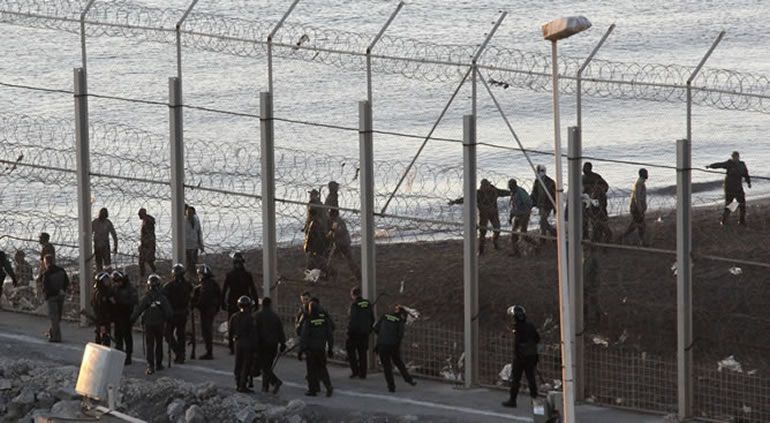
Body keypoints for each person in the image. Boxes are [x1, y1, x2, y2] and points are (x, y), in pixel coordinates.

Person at [449, 179, 511, 254]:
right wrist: (455, 201)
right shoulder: (477, 193)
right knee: (482, 232)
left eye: (486, 185)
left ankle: (495, 243)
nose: (484, 187)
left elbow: (505, 192)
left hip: (494, 214)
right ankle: (481, 250)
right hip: (483, 215)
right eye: (483, 185)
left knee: (497, 229)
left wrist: (513, 192)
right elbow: (466, 199)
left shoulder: (495, 191)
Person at [131, 274, 172, 375]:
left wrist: (131, 321)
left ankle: (150, 365)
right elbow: (169, 312)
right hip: (159, 324)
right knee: (159, 344)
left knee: (150, 345)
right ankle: (159, 364)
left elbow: (138, 310)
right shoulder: (162, 298)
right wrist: (169, 321)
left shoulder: (146, 298)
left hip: (149, 324)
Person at [502, 305, 540, 408]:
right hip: (531, 356)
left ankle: (512, 400)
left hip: (519, 357)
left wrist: (518, 354)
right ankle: (535, 400)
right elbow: (537, 339)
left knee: (516, 379)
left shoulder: (517, 328)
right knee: (531, 378)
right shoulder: (530, 326)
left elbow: (516, 344)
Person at [374, 305, 417, 392]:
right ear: (402, 315)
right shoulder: (399, 321)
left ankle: (391, 387)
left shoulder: (385, 316)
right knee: (399, 363)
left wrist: (383, 335)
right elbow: (400, 335)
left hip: (382, 345)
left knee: (387, 367)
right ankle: (408, 379)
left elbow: (375, 328)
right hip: (393, 346)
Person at [222, 252, 258, 354]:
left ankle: (232, 347)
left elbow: (224, 290)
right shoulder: (247, 275)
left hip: (233, 302)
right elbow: (253, 289)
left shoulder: (230, 275)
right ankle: (244, 345)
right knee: (246, 324)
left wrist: (223, 303)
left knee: (232, 325)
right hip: (246, 302)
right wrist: (255, 301)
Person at [299, 301, 334, 397]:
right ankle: (328, 386)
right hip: (321, 348)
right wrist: (330, 348)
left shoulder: (309, 320)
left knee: (311, 370)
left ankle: (312, 390)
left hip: (311, 349)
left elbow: (304, 336)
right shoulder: (324, 319)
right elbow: (330, 335)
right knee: (322, 368)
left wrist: (301, 350)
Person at [707, 151, 751, 225]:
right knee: (729, 204)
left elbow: (746, 174)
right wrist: (710, 166)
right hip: (729, 188)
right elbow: (719, 165)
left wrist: (748, 182)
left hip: (738, 187)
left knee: (742, 204)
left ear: (738, 157)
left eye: (736, 157)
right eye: (734, 157)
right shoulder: (729, 163)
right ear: (732, 157)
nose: (735, 158)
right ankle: (724, 221)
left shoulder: (742, 164)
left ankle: (742, 221)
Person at [163, 263, 193, 364]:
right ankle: (181, 354)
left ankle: (179, 353)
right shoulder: (188, 285)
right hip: (182, 313)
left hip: (174, 313)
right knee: (180, 335)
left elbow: (164, 299)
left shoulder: (169, 286)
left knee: (169, 334)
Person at [255, 296, 286, 394]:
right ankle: (265, 386)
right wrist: (282, 343)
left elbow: (255, 331)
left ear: (262, 305)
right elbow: (280, 331)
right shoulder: (275, 316)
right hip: (273, 345)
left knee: (264, 366)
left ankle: (275, 382)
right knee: (267, 365)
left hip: (262, 345)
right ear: (270, 305)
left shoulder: (258, 316)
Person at [192, 264, 221, 360]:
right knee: (207, 329)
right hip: (211, 309)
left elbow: (203, 299)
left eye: (200, 274)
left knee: (206, 330)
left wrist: (195, 304)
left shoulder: (206, 285)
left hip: (207, 310)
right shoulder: (212, 283)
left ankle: (209, 352)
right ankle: (209, 351)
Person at [229, 296, 258, 393]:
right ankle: (243, 384)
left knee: (238, 363)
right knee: (246, 364)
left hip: (238, 342)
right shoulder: (250, 318)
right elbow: (254, 333)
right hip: (248, 342)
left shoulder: (234, 316)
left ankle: (238, 383)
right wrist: (255, 347)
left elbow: (230, 331)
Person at [346, 287, 374, 379]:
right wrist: (369, 329)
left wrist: (349, 331)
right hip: (365, 333)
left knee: (351, 352)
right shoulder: (367, 303)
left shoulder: (354, 304)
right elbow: (372, 318)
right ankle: (363, 373)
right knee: (362, 353)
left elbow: (352, 319)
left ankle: (355, 371)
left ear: (353, 295)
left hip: (354, 333)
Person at [112, 270, 138, 365]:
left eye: (118, 281)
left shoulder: (130, 289)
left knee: (127, 336)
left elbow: (134, 301)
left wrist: (119, 302)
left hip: (127, 315)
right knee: (117, 335)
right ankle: (119, 353)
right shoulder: (115, 288)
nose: (117, 283)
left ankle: (128, 356)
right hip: (117, 315)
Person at [41, 254, 69, 342]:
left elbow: (46, 287)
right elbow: (66, 281)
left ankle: (56, 337)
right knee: (58, 316)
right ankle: (52, 332)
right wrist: (62, 290)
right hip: (61, 295)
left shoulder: (47, 273)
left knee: (54, 317)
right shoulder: (61, 270)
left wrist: (46, 295)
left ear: (46, 262)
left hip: (52, 297)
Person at [582, 162, 611, 243]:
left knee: (598, 222)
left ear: (590, 168)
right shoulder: (582, 178)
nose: (584, 169)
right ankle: (590, 238)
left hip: (598, 204)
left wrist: (598, 194)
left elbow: (606, 186)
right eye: (584, 167)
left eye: (586, 168)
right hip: (587, 204)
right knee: (588, 222)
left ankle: (597, 240)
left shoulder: (596, 177)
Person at [326, 213, 360, 281]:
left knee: (332, 260)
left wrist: (328, 236)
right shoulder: (338, 220)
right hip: (344, 242)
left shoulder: (336, 221)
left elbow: (335, 231)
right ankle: (358, 275)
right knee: (349, 260)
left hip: (341, 243)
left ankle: (330, 275)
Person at [507, 178, 535, 256]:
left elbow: (529, 203)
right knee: (514, 234)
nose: (509, 188)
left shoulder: (521, 192)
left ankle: (536, 245)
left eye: (510, 186)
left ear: (514, 185)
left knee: (523, 234)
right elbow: (514, 206)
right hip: (518, 215)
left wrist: (525, 215)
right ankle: (516, 252)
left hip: (524, 215)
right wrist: (511, 216)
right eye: (509, 186)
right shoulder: (513, 192)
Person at [622, 168, 649, 245]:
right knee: (638, 225)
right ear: (643, 174)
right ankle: (625, 237)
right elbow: (637, 197)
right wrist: (640, 208)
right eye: (646, 173)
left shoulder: (641, 182)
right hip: (636, 208)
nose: (647, 175)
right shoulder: (639, 183)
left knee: (639, 225)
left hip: (637, 208)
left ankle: (641, 241)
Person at [304, 189, 329, 272]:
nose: (310, 196)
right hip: (320, 229)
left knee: (313, 250)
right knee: (318, 250)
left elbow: (311, 217)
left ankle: (314, 268)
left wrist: (307, 227)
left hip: (315, 229)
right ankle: (318, 268)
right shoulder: (319, 204)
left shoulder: (312, 204)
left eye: (312, 194)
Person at [529, 165, 556, 237]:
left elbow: (554, 196)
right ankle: (549, 232)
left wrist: (555, 207)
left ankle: (546, 234)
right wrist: (530, 203)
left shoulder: (550, 182)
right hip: (540, 204)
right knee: (543, 221)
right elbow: (534, 193)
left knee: (542, 220)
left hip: (547, 205)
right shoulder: (537, 181)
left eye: (539, 171)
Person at [91, 271, 115, 346]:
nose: (107, 283)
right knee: (103, 338)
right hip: (102, 319)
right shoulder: (99, 294)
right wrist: (101, 324)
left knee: (104, 336)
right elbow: (98, 309)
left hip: (106, 319)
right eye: (105, 281)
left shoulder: (106, 292)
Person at [91, 207, 118, 272]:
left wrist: (115, 246)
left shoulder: (107, 222)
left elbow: (114, 235)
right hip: (98, 246)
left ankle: (106, 276)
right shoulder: (96, 222)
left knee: (106, 265)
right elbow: (89, 233)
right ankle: (101, 276)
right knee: (100, 264)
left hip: (104, 246)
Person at [185, 206, 204, 278]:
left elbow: (199, 232)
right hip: (187, 245)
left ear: (193, 213)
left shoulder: (196, 220)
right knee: (189, 262)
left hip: (195, 245)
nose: (189, 214)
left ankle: (194, 276)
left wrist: (201, 245)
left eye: (190, 213)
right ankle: (190, 276)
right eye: (188, 213)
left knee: (194, 262)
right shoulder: (183, 221)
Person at [138, 208, 157, 277]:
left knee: (145, 261)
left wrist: (148, 246)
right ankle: (153, 272)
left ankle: (145, 275)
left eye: (139, 214)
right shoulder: (146, 220)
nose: (138, 216)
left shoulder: (147, 221)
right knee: (146, 261)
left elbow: (149, 234)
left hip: (148, 245)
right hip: (146, 244)